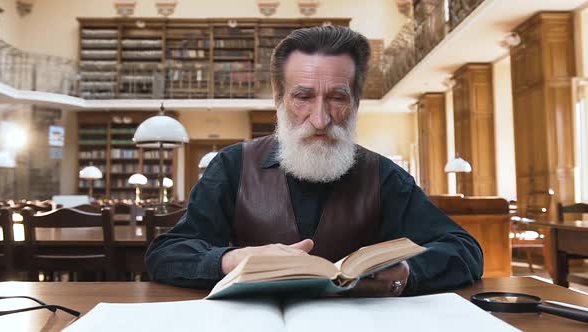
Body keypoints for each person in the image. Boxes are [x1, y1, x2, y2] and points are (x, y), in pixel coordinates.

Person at [145, 26, 483, 297]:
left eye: (337, 98)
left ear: (355, 102)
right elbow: (166, 253)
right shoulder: (233, 166)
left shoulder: (383, 175)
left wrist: (408, 274)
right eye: (303, 97)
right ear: (279, 98)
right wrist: (231, 259)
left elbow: (465, 250)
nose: (320, 119)